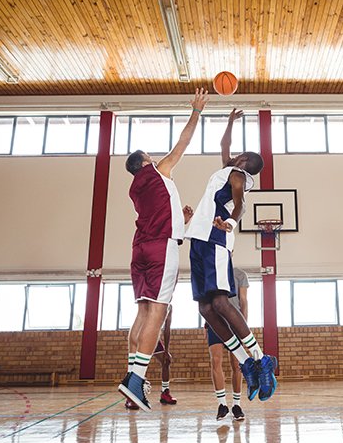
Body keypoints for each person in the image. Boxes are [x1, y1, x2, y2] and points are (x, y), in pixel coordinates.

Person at [118, 88, 209, 411]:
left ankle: (132, 377)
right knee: (159, 310)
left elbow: (159, 217)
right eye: (150, 157)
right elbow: (182, 144)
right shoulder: (157, 172)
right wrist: (196, 111)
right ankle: (136, 380)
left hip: (140, 249)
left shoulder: (136, 188)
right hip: (160, 249)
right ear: (145, 162)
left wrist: (180, 221)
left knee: (143, 311)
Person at [185, 108, 277, 402]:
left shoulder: (238, 175)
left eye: (240, 155)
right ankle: (246, 362)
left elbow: (239, 205)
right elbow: (223, 146)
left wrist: (231, 223)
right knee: (206, 309)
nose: (234, 154)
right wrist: (229, 121)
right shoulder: (227, 168)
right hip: (198, 238)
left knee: (222, 302)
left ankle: (261, 359)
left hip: (215, 237)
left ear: (245, 162)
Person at [206, 264, 249, 421]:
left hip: (234, 322)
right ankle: (222, 405)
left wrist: (243, 325)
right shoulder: (211, 272)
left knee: (237, 365)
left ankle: (236, 405)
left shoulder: (240, 274)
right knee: (215, 361)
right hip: (215, 322)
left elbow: (243, 301)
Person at [125, 306, 176, 409]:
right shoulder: (152, 301)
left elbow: (167, 329)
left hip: (154, 337)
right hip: (140, 334)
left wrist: (166, 350)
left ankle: (165, 392)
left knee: (166, 361)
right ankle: (130, 396)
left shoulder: (169, 307)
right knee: (135, 365)